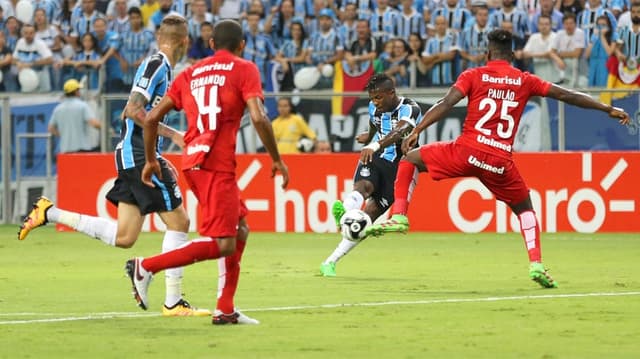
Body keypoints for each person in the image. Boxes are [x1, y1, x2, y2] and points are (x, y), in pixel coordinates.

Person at [366, 29, 631, 288]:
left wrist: (419, 129)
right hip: (499, 161)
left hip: (465, 151)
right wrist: (607, 108)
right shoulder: (525, 80)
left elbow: (446, 103)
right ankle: (536, 263)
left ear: (488, 52)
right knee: (525, 209)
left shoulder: (474, 74)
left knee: (410, 159)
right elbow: (567, 94)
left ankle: (400, 215)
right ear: (513, 54)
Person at [18, 15, 210, 317]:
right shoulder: (157, 65)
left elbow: (138, 113)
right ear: (184, 42)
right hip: (135, 153)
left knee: (125, 237)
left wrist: (162, 148)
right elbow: (132, 111)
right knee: (179, 223)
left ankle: (48, 212)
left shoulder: (163, 68)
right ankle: (173, 301)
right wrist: (172, 138)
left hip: (132, 153)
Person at [125, 19, 289, 325]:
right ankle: (145, 266)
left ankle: (225, 308)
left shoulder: (189, 73)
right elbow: (259, 116)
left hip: (193, 161)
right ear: (242, 45)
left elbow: (149, 119)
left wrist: (151, 160)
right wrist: (277, 159)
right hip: (216, 164)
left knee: (240, 228)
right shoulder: (245, 68)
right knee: (224, 242)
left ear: (211, 45)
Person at [319, 73, 421, 277]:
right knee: (363, 187)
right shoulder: (375, 107)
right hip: (376, 158)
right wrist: (370, 136)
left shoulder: (410, 108)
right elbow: (375, 125)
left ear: (391, 92)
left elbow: (401, 131)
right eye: (372, 98)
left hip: (400, 167)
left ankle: (330, 261)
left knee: (367, 218)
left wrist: (374, 143)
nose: (375, 102)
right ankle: (345, 211)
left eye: (378, 97)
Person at [48, 79, 102, 153]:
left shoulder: (58, 109)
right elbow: (94, 123)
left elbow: (51, 128)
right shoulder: (82, 106)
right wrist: (106, 128)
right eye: (79, 90)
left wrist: (64, 136)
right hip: (81, 149)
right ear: (76, 92)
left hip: (65, 150)